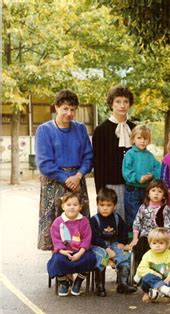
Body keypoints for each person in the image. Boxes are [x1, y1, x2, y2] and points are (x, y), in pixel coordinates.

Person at [35, 90, 93, 251]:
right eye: (66, 108)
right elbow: (44, 163)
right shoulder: (44, 130)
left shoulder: (80, 129)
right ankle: (61, 270)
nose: (69, 113)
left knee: (79, 230)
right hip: (54, 183)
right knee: (57, 230)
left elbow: (88, 157)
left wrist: (78, 175)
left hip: (77, 180)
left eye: (73, 109)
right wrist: (67, 179)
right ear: (57, 107)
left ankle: (79, 267)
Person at [92, 85, 136, 219]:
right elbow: (98, 163)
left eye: (126, 102)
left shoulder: (135, 129)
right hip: (112, 185)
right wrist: (100, 190)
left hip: (134, 185)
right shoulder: (101, 130)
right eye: (118, 101)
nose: (122, 105)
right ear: (111, 104)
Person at [46, 192, 96, 296]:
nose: (72, 207)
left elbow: (87, 239)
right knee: (57, 260)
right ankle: (63, 282)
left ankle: (78, 281)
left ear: (80, 207)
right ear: (63, 206)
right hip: (64, 252)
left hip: (80, 251)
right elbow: (56, 239)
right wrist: (62, 251)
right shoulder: (58, 222)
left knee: (91, 259)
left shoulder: (84, 221)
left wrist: (80, 253)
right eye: (68, 205)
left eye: (75, 205)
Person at [90, 188, 136, 297]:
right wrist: (106, 248)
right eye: (102, 205)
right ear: (97, 205)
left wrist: (122, 242)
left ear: (114, 206)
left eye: (108, 205)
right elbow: (93, 238)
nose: (105, 208)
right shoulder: (94, 220)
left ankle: (122, 284)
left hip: (114, 243)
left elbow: (124, 231)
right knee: (101, 257)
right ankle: (100, 285)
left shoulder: (117, 218)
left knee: (124, 255)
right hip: (99, 246)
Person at [122, 125, 162, 231]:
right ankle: (132, 237)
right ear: (133, 139)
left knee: (145, 213)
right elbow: (126, 171)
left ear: (149, 140)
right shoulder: (130, 154)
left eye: (145, 138)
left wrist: (152, 175)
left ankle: (143, 236)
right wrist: (138, 178)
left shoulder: (150, 155)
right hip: (132, 189)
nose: (142, 141)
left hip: (146, 189)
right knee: (133, 213)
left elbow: (158, 168)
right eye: (139, 138)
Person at [131, 180, 170, 271]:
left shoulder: (165, 209)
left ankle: (156, 269)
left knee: (160, 248)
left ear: (164, 196)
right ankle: (142, 269)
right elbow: (137, 222)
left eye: (159, 191)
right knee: (141, 245)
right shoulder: (143, 207)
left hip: (159, 237)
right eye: (153, 190)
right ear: (148, 194)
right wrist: (135, 238)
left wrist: (169, 240)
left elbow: (169, 226)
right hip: (146, 236)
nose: (156, 194)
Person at [137, 228, 170, 301]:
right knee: (146, 278)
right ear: (150, 244)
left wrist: (169, 277)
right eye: (154, 243)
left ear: (167, 244)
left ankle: (158, 292)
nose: (157, 246)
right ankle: (165, 290)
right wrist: (154, 273)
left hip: (167, 280)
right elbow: (141, 269)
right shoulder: (147, 255)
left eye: (161, 243)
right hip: (152, 282)